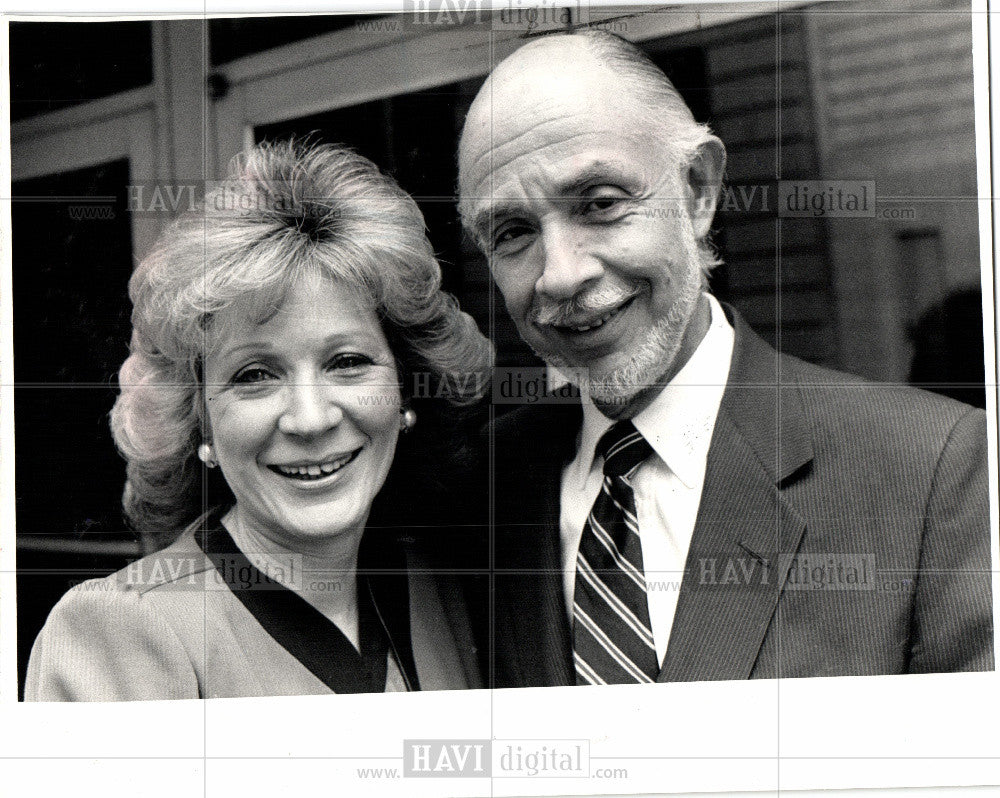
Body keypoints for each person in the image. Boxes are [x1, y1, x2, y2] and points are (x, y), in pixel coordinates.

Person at [457, 30, 994, 686]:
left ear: (699, 190)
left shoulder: (926, 471)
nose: (561, 275)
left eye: (600, 204)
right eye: (512, 233)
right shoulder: (482, 490)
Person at [25, 141, 493, 700]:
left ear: (404, 390)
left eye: (347, 362)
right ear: (200, 424)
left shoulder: (440, 586)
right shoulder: (118, 630)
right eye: (254, 376)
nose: (311, 418)